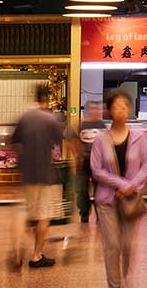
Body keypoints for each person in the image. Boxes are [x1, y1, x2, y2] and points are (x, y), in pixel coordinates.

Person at [91, 90, 147, 288]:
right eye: (117, 106)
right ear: (110, 110)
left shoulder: (139, 137)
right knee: (112, 246)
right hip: (107, 201)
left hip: (130, 201)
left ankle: (126, 279)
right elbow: (96, 169)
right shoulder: (101, 139)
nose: (122, 110)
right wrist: (120, 185)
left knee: (127, 245)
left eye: (125, 106)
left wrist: (131, 186)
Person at [11, 85, 65, 269]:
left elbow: (15, 143)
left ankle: (17, 248)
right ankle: (36, 255)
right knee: (43, 216)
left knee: (25, 212)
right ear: (48, 99)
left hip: (27, 174)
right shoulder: (51, 119)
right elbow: (59, 146)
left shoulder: (25, 117)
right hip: (45, 175)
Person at [76, 100, 103, 223]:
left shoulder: (101, 126)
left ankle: (100, 213)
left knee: (100, 189)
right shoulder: (81, 125)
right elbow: (74, 140)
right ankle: (84, 212)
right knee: (81, 189)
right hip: (83, 163)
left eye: (97, 109)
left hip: (99, 164)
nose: (95, 111)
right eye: (92, 109)